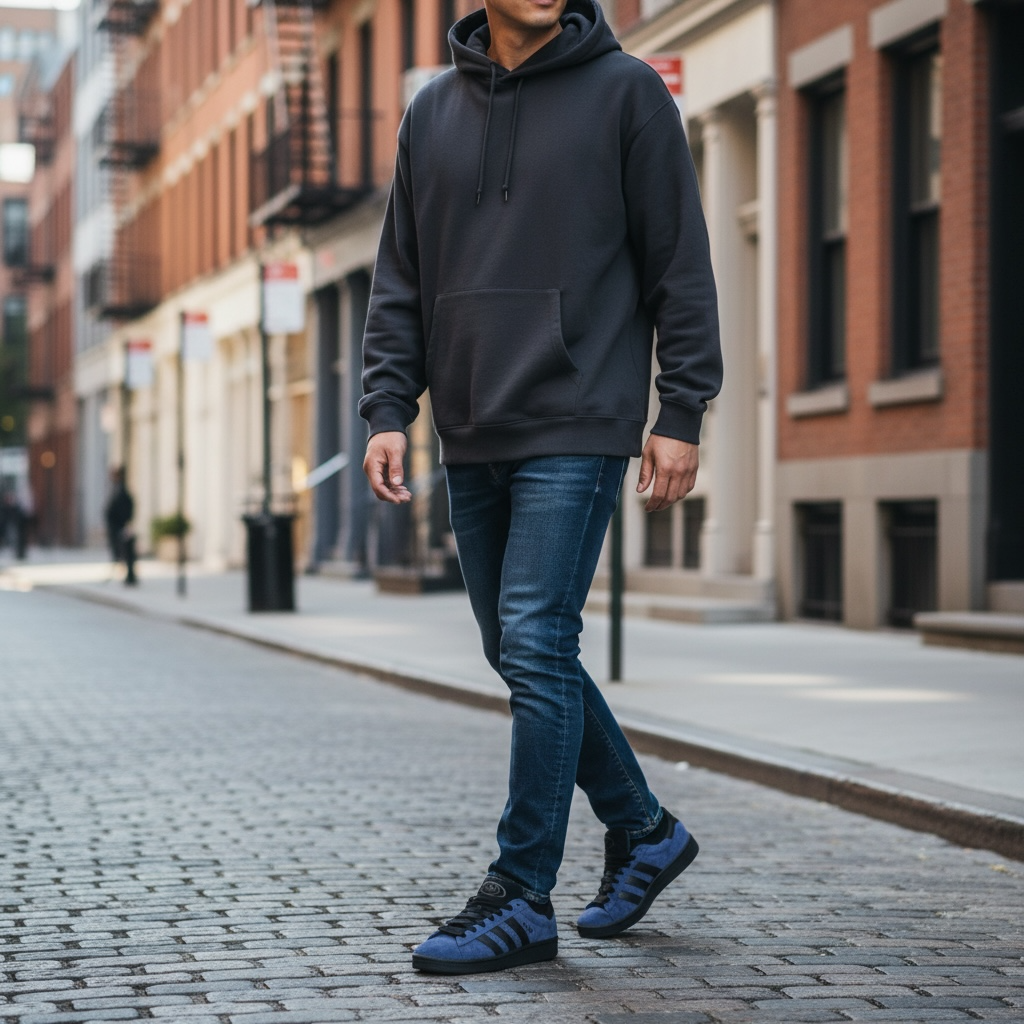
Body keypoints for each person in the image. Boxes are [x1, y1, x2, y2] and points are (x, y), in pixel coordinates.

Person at [360, 0, 722, 975]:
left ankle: (520, 893)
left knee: (532, 637)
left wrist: (682, 408)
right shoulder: (430, 112)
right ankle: (644, 830)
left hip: (578, 414)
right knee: (517, 646)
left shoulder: (628, 94)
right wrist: (387, 406)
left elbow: (679, 261)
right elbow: (400, 276)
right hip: (471, 425)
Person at [104, 467, 138, 586]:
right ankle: (126, 576)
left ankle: (130, 577)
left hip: (120, 526)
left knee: (126, 552)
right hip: (117, 526)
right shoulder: (117, 488)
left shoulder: (122, 490)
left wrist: (126, 524)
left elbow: (125, 508)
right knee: (121, 552)